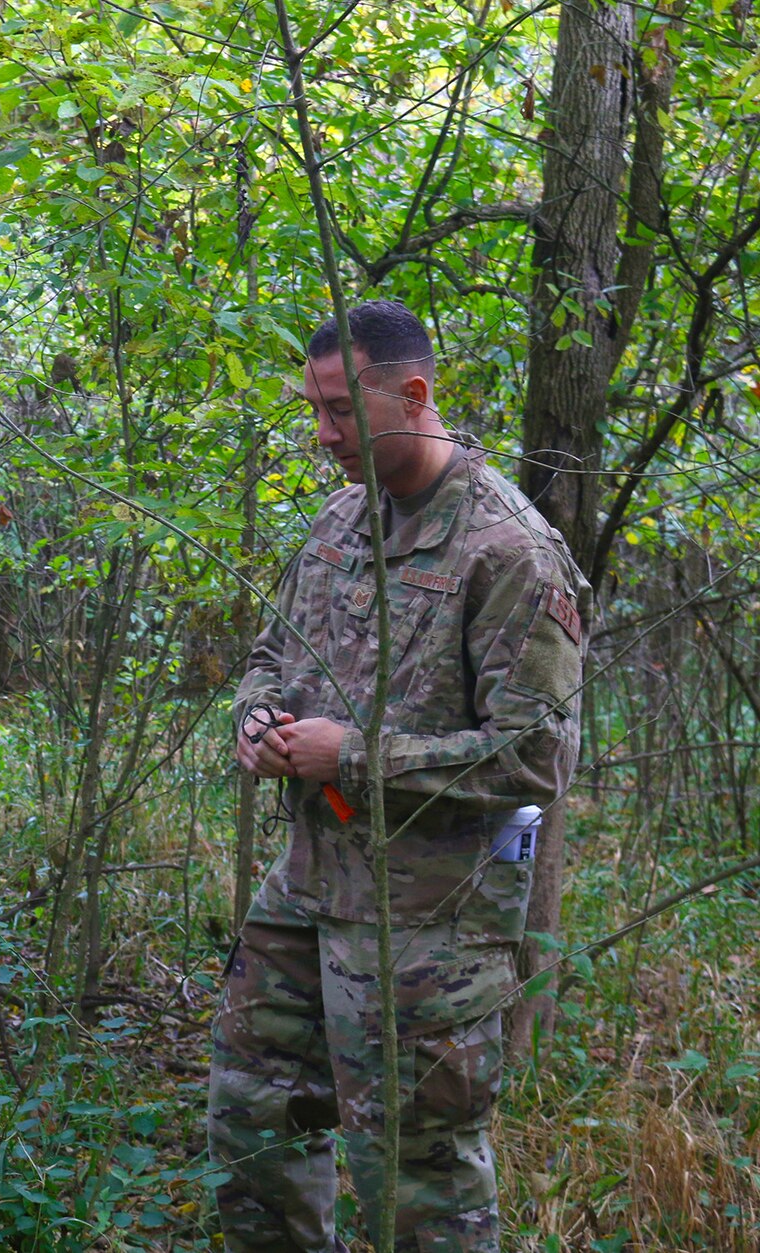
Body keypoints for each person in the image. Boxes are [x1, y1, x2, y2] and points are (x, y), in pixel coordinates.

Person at [211, 300, 588, 1252]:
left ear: (413, 395)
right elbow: (269, 651)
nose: (321, 433)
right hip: (303, 889)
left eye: (340, 409)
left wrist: (359, 756)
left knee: (417, 1180)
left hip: (429, 927)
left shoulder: (507, 550)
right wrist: (257, 719)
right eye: (314, 408)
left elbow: (537, 755)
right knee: (252, 1126)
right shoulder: (341, 518)